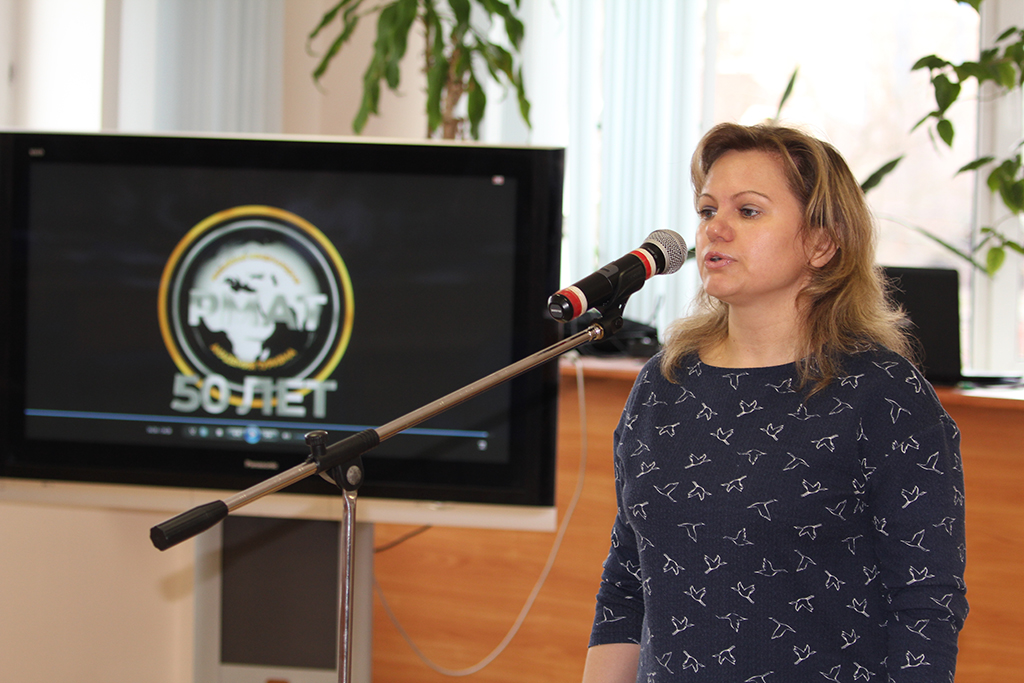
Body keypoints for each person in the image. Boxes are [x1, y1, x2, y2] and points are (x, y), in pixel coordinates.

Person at [582, 121, 968, 682]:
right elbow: (627, 583)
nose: (714, 228)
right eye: (707, 209)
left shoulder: (884, 395)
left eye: (748, 211)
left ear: (821, 243)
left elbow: (926, 605)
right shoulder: (663, 384)